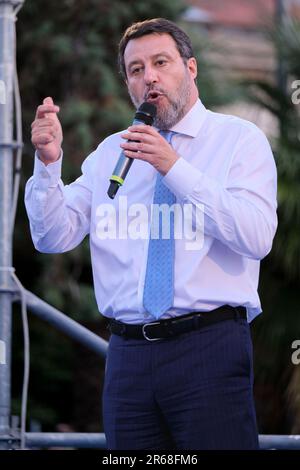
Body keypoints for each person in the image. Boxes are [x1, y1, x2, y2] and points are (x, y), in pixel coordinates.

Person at [25, 18, 277, 450]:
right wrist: (49, 164)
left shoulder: (239, 140)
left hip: (208, 348)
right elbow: (53, 236)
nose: (149, 77)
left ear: (191, 68)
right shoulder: (112, 152)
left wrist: (173, 167)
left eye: (161, 62)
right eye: (136, 70)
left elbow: (255, 236)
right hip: (127, 356)